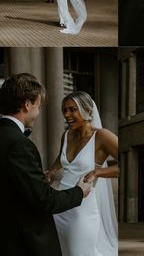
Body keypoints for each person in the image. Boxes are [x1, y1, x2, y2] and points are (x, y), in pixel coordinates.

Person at [0, 73, 91, 256]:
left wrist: (36, 180)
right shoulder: (19, 144)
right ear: (27, 104)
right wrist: (79, 192)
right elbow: (45, 200)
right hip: (22, 243)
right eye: (38, 106)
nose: (38, 113)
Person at [46, 91, 118, 256]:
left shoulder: (101, 136)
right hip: (60, 204)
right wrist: (52, 171)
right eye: (64, 110)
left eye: (72, 110)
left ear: (88, 111)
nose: (67, 115)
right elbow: (61, 157)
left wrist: (98, 172)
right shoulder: (66, 135)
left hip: (82, 210)